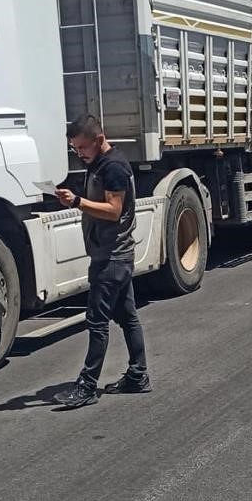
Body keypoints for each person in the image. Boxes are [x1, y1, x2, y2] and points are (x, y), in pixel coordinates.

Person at [53, 115, 150, 409]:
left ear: (98, 139)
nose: (79, 153)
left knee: (97, 322)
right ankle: (138, 375)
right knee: (127, 316)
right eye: (75, 149)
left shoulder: (114, 167)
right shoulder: (98, 164)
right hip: (112, 254)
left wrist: (77, 202)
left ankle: (87, 385)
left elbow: (113, 210)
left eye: (83, 147)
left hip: (112, 256)